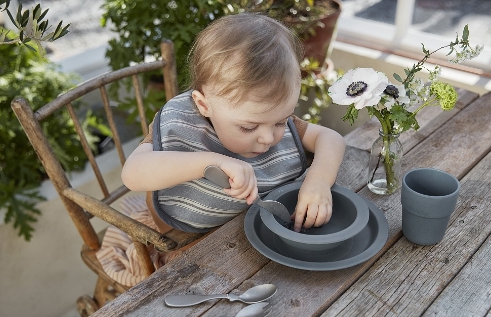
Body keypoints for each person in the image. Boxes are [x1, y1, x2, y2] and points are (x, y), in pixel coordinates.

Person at [122, 12, 346, 235]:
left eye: (281, 122)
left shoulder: (264, 116)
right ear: (204, 105)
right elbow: (132, 174)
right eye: (248, 127)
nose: (269, 138)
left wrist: (318, 182)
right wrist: (210, 163)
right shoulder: (181, 123)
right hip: (188, 241)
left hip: (250, 232)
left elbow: (331, 139)